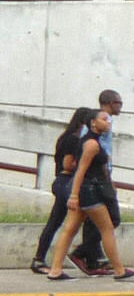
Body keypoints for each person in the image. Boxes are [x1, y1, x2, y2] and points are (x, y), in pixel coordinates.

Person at [42, 106, 134, 281]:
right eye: (104, 119)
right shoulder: (92, 144)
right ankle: (119, 271)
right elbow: (80, 171)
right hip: (89, 192)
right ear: (93, 123)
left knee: (70, 230)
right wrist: (73, 196)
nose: (108, 121)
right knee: (107, 228)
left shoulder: (90, 141)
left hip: (84, 191)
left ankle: (55, 270)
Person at [31, 107, 108, 275]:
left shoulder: (68, 137)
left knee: (57, 221)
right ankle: (88, 257)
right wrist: (86, 162)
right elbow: (67, 164)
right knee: (86, 217)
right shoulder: (72, 140)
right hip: (65, 180)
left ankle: (41, 259)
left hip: (63, 182)